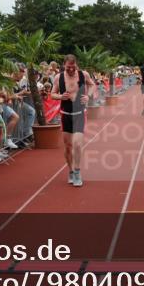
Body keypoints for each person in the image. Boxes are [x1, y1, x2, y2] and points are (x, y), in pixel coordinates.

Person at [51, 54, 95, 187]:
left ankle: (77, 172)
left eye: (73, 67)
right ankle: (70, 170)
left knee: (77, 144)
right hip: (65, 114)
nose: (71, 69)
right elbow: (52, 94)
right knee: (68, 146)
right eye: (68, 67)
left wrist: (88, 96)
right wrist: (60, 96)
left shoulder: (84, 75)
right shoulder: (59, 77)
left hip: (79, 113)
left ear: (76, 64)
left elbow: (92, 85)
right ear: (64, 65)